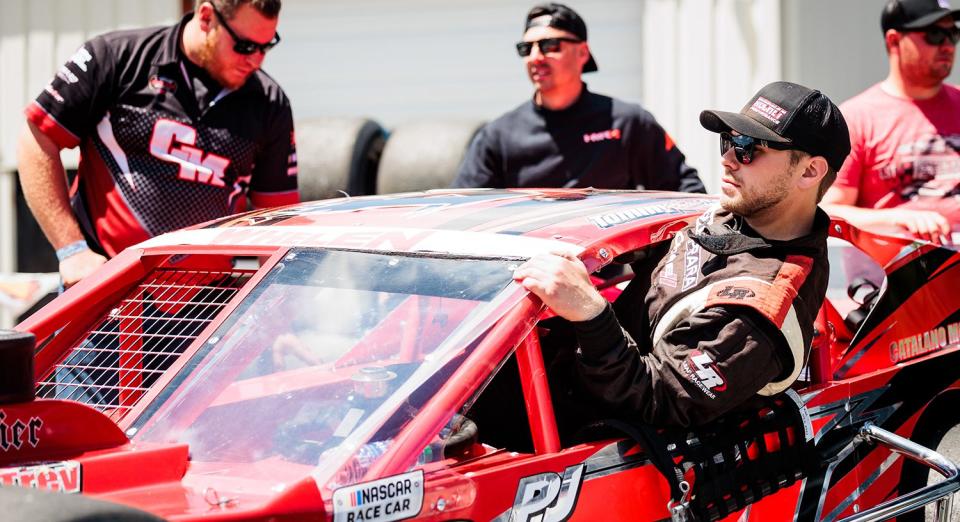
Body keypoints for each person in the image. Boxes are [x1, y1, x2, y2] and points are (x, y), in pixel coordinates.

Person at [514, 82, 850, 426]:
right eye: (729, 140)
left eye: (749, 148)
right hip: (537, 375)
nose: (728, 159)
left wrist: (589, 312)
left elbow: (657, 399)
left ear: (810, 171)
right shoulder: (731, 214)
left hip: (566, 431)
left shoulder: (762, 310)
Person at [17, 0, 299, 288]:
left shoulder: (269, 102)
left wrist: (257, 290)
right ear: (206, 18)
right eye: (245, 46)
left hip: (212, 304)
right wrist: (72, 250)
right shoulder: (117, 57)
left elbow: (278, 225)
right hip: (107, 292)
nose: (256, 60)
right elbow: (37, 140)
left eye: (267, 45)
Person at [451, 3, 705, 194]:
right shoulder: (498, 135)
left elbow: (688, 191)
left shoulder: (627, 122)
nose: (536, 57)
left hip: (605, 263)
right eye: (527, 49)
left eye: (550, 45)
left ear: (583, 52)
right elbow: (463, 209)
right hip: (527, 262)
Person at [822, 0, 960, 244]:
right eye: (936, 35)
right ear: (894, 40)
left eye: (953, 33)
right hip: (899, 275)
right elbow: (828, 212)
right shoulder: (857, 117)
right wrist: (898, 219)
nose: (948, 45)